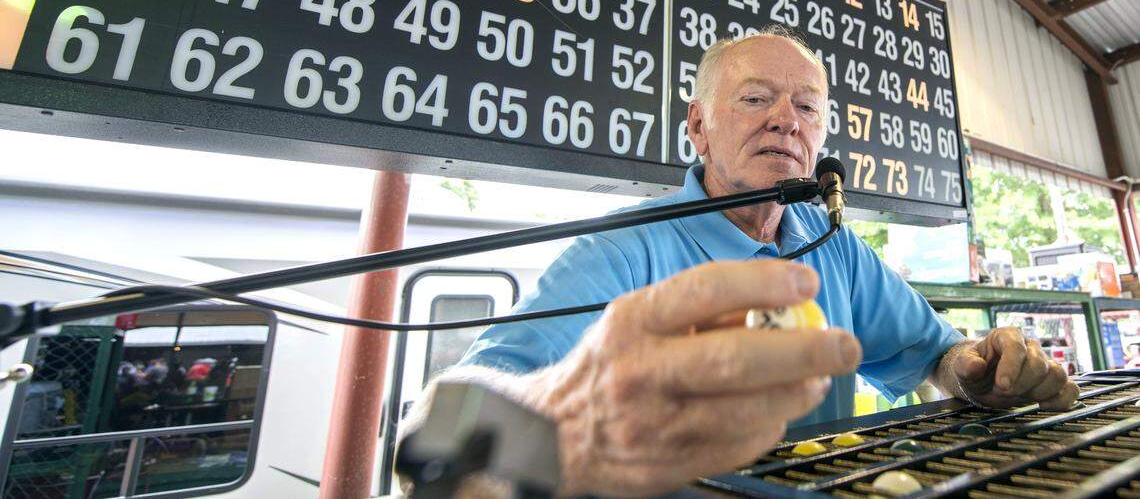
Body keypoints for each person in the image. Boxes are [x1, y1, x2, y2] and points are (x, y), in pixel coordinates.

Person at [406, 29, 1079, 497]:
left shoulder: (831, 242)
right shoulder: (618, 252)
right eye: (756, 98)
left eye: (807, 106)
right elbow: (435, 425)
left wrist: (976, 369)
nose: (786, 119)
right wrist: (572, 430)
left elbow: (937, 355)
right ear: (697, 126)